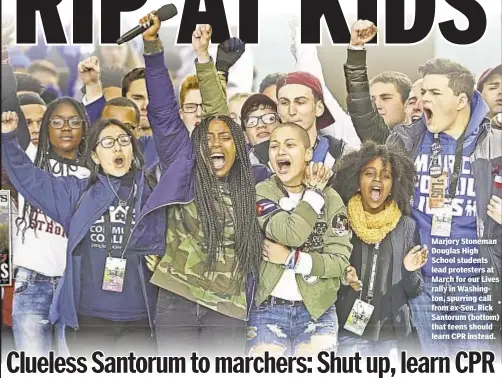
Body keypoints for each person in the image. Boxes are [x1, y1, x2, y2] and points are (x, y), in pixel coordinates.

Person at [138, 17, 266, 357]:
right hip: (177, 295)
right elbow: (164, 110)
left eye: (226, 137)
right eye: (209, 137)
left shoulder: (254, 179)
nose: (216, 142)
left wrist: (209, 62)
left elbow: (217, 114)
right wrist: (153, 48)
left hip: (229, 305)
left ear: (239, 143)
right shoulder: (186, 161)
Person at [387, 58, 502, 357]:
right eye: (423, 92)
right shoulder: (406, 141)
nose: (424, 99)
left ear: (461, 99)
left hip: (473, 284)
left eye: (435, 93)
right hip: (424, 282)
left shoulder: (496, 144)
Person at [247, 123, 352, 356]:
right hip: (268, 310)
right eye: (274, 146)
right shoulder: (262, 192)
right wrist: (313, 195)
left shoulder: (332, 199)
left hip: (318, 312)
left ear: (308, 153)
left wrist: (291, 258)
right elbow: (289, 233)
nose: (280, 152)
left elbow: (340, 261)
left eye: (290, 145)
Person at [5, 96, 91, 357]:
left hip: (76, 285)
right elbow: (9, 109)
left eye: (74, 121)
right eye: (56, 121)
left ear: (85, 128)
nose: (66, 127)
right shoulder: (30, 158)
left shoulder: (96, 172)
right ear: (45, 128)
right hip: (32, 282)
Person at [333, 141, 426, 358]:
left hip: (393, 336)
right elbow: (328, 276)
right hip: (350, 332)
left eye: (385, 175)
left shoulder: (406, 226)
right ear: (357, 181)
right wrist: (345, 279)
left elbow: (415, 289)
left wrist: (409, 270)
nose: (377, 180)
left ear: (394, 184)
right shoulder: (341, 221)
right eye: (369, 173)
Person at [344, 20, 412, 144]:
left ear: (407, 104)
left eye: (385, 98)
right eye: (371, 100)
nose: (377, 105)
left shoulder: (429, 138)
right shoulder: (378, 140)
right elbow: (360, 102)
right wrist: (356, 47)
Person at [240, 93, 281, 165]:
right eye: (252, 122)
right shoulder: (241, 172)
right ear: (245, 135)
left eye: (270, 118)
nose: (261, 125)